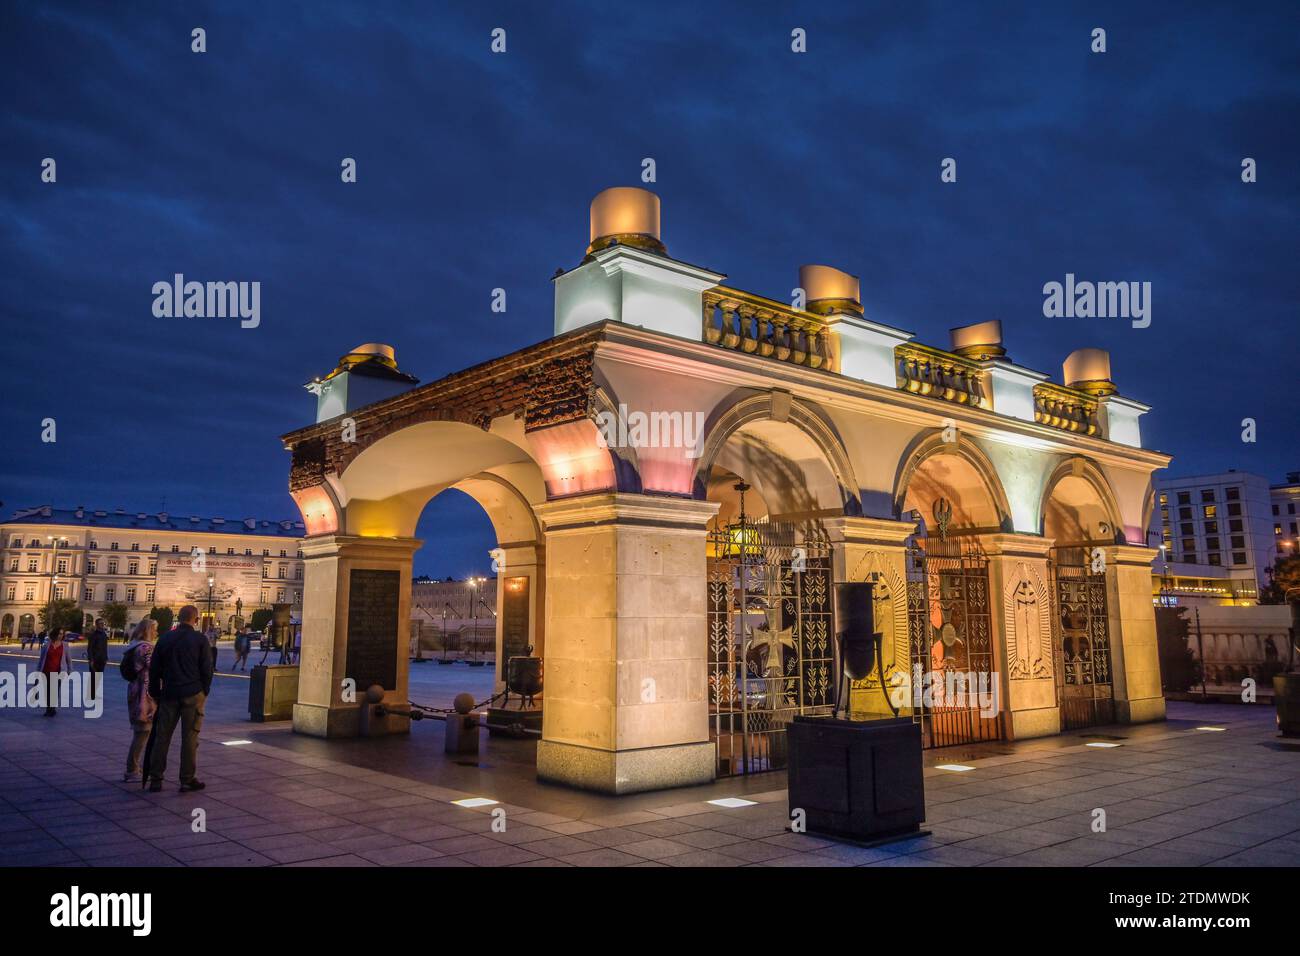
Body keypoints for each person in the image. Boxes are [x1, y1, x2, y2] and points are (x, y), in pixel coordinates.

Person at [145, 605, 212, 793]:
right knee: (190, 738)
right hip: (192, 693)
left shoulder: (165, 638)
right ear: (196, 620)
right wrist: (204, 691)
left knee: (162, 737)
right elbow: (207, 669)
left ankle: (156, 779)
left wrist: (155, 693)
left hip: (169, 693)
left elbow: (155, 668)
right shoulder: (200, 639)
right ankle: (186, 779)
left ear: (178, 618)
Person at [121, 618, 158, 782]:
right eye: (155, 629)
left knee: (141, 731)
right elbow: (155, 667)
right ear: (148, 630)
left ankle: (134, 767)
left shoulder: (134, 645)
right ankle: (132, 769)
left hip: (136, 690)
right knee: (143, 731)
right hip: (144, 693)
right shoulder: (145, 648)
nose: (157, 632)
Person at [37, 628, 73, 716]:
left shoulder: (65, 645)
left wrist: (70, 669)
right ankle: (49, 708)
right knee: (47, 691)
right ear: (54, 634)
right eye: (59, 634)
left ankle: (51, 709)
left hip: (59, 671)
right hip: (46, 670)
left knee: (55, 690)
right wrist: (38, 671)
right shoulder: (46, 645)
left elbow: (69, 659)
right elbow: (42, 659)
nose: (60, 636)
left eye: (62, 634)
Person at [86, 617, 109, 701]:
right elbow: (90, 648)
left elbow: (105, 647)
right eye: (100, 624)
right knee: (93, 677)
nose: (102, 625)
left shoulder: (104, 634)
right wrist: (91, 660)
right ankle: (90, 695)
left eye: (103, 624)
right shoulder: (93, 635)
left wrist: (106, 657)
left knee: (98, 677)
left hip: (102, 660)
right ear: (96, 625)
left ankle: (94, 693)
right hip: (95, 660)